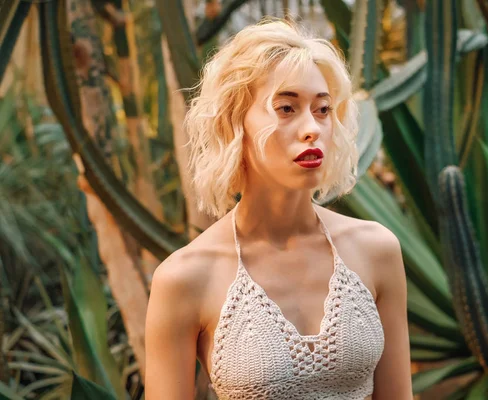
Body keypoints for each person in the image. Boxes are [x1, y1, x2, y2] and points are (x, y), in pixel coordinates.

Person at [144, 18, 412, 400]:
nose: (312, 129)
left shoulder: (376, 249)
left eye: (322, 110)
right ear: (235, 122)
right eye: (286, 108)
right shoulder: (186, 277)